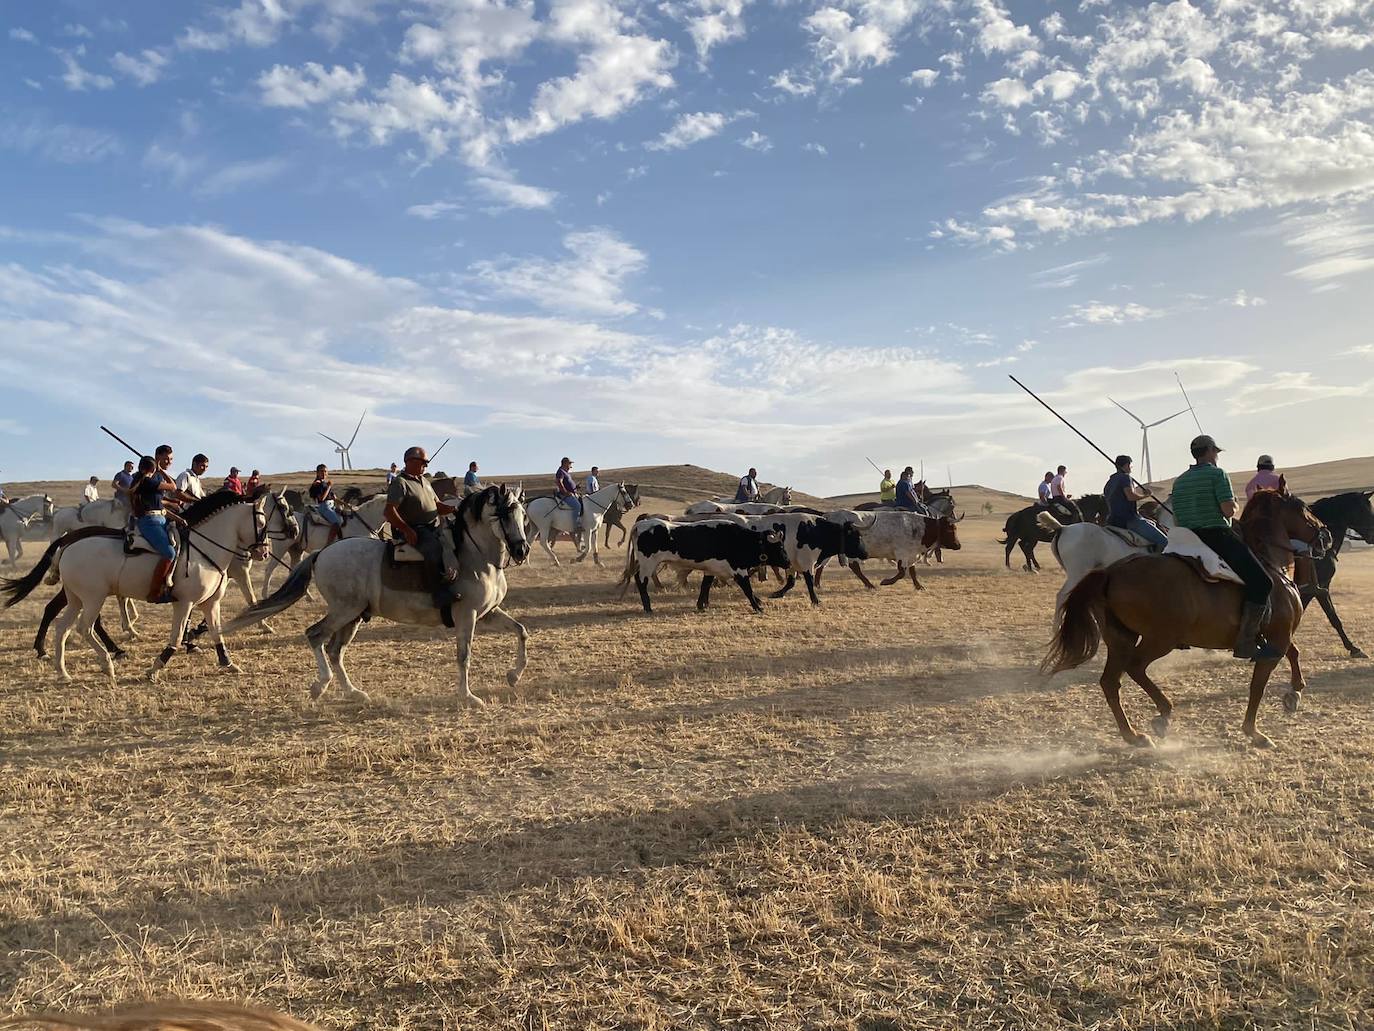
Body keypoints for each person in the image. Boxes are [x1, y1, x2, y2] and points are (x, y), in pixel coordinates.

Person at [1172, 434, 1280, 661]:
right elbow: (1228, 511)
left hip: (1184, 539)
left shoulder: (1179, 481)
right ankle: (1247, 643)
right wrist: (1235, 504)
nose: (1217, 456)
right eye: (1216, 452)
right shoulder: (1217, 474)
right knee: (1262, 582)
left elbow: (1178, 518)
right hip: (1215, 535)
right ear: (1210, 451)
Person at [385, 446, 459, 610]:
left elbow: (437, 505)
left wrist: (453, 509)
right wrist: (406, 530)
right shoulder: (400, 483)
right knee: (434, 549)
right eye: (423, 462)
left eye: (426, 463)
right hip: (414, 529)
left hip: (433, 527)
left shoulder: (424, 481)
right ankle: (438, 593)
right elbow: (389, 512)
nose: (426, 466)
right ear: (410, 461)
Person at [130, 448, 197, 603]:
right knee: (169, 553)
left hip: (160, 519)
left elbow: (160, 507)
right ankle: (154, 592)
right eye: (166, 459)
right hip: (150, 522)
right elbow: (173, 487)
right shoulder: (148, 481)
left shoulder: (150, 482)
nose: (169, 462)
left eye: (171, 459)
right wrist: (161, 471)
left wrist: (178, 519)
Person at [1103, 455, 1167, 550]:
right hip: (1130, 519)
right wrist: (1146, 495)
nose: (1130, 469)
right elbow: (1130, 496)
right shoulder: (1125, 477)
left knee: (1151, 523)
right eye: (1130, 466)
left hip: (1113, 521)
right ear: (1126, 465)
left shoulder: (1109, 482)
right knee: (1164, 542)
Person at [309, 464, 343, 543]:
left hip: (332, 506)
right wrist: (329, 487)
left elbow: (334, 498)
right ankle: (329, 543)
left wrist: (345, 504)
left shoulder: (325, 484)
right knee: (336, 523)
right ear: (317, 473)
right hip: (324, 507)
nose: (324, 473)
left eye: (325, 471)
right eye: (322, 471)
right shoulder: (317, 484)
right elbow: (321, 499)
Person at [556, 457, 583, 534]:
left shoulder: (565, 472)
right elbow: (559, 482)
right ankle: (575, 526)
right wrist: (565, 492)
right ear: (565, 463)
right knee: (577, 506)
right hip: (564, 495)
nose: (570, 466)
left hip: (572, 493)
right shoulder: (560, 471)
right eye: (570, 464)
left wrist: (575, 487)